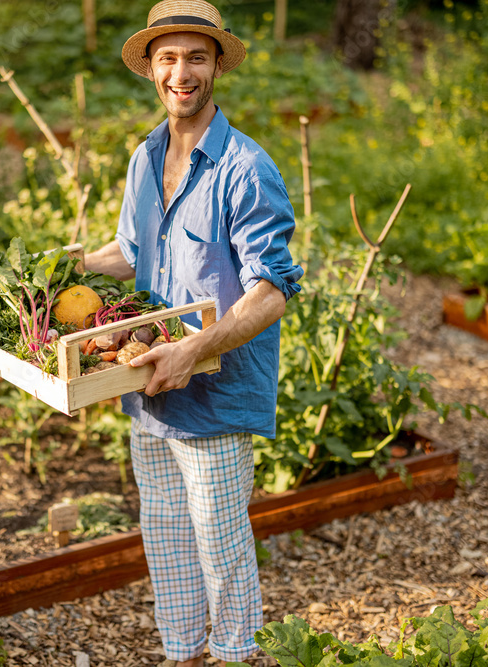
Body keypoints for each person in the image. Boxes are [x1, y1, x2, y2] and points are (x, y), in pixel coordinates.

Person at [84, 1, 303, 665]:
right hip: (148, 383)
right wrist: (68, 265)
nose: (182, 71)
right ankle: (183, 653)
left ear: (215, 67)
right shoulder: (144, 158)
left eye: (196, 56)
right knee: (166, 532)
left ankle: (235, 653)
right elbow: (130, 250)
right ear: (151, 68)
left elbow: (273, 291)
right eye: (169, 57)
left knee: (220, 540)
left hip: (213, 389)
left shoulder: (244, 167)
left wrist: (198, 346)